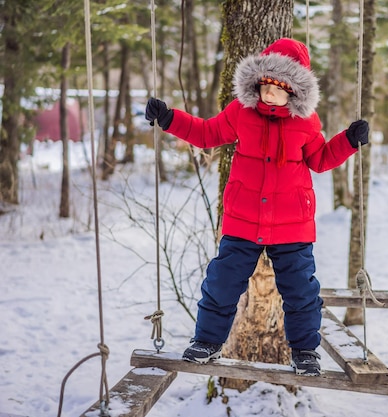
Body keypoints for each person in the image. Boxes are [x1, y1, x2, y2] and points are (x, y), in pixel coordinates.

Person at [145, 37, 369, 376]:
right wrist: (168, 118)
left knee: (302, 291)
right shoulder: (241, 112)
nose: (270, 91)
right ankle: (206, 341)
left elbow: (321, 159)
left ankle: (306, 351)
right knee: (221, 283)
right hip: (243, 221)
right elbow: (206, 134)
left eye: (279, 86)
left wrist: (348, 141)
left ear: (294, 90)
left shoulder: (306, 122)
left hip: (291, 224)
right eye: (265, 83)